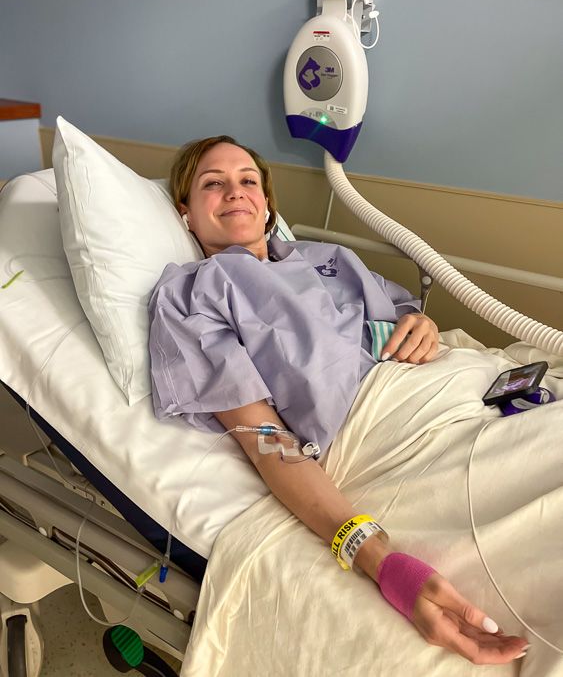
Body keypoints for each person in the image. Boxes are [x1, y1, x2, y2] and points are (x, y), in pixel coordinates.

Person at [148, 135, 529, 666]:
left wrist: (421, 323)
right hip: (393, 427)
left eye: (248, 181)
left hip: (470, 386)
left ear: (267, 206)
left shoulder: (330, 257)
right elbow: (264, 439)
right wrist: (375, 555)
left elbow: (402, 314)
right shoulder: (196, 292)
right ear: (185, 214)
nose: (235, 192)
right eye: (213, 184)